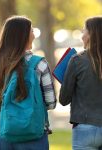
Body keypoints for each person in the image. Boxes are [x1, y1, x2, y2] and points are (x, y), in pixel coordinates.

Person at [0, 15, 57, 150]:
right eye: (32, 30)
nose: (34, 34)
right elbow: (51, 103)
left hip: (3, 137)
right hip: (34, 136)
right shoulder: (39, 64)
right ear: (24, 36)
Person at [59, 16, 102, 150]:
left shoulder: (77, 60)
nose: (82, 36)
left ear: (90, 35)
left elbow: (63, 99)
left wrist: (66, 79)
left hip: (85, 128)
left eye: (84, 32)